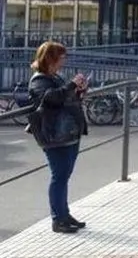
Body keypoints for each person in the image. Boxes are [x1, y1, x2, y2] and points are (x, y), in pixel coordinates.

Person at [26, 41, 89, 234]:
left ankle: (64, 214)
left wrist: (79, 91)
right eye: (61, 57)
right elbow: (50, 98)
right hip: (54, 134)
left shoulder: (56, 76)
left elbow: (65, 98)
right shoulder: (39, 80)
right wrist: (71, 84)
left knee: (64, 175)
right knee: (59, 176)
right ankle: (58, 219)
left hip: (68, 132)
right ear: (51, 58)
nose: (64, 60)